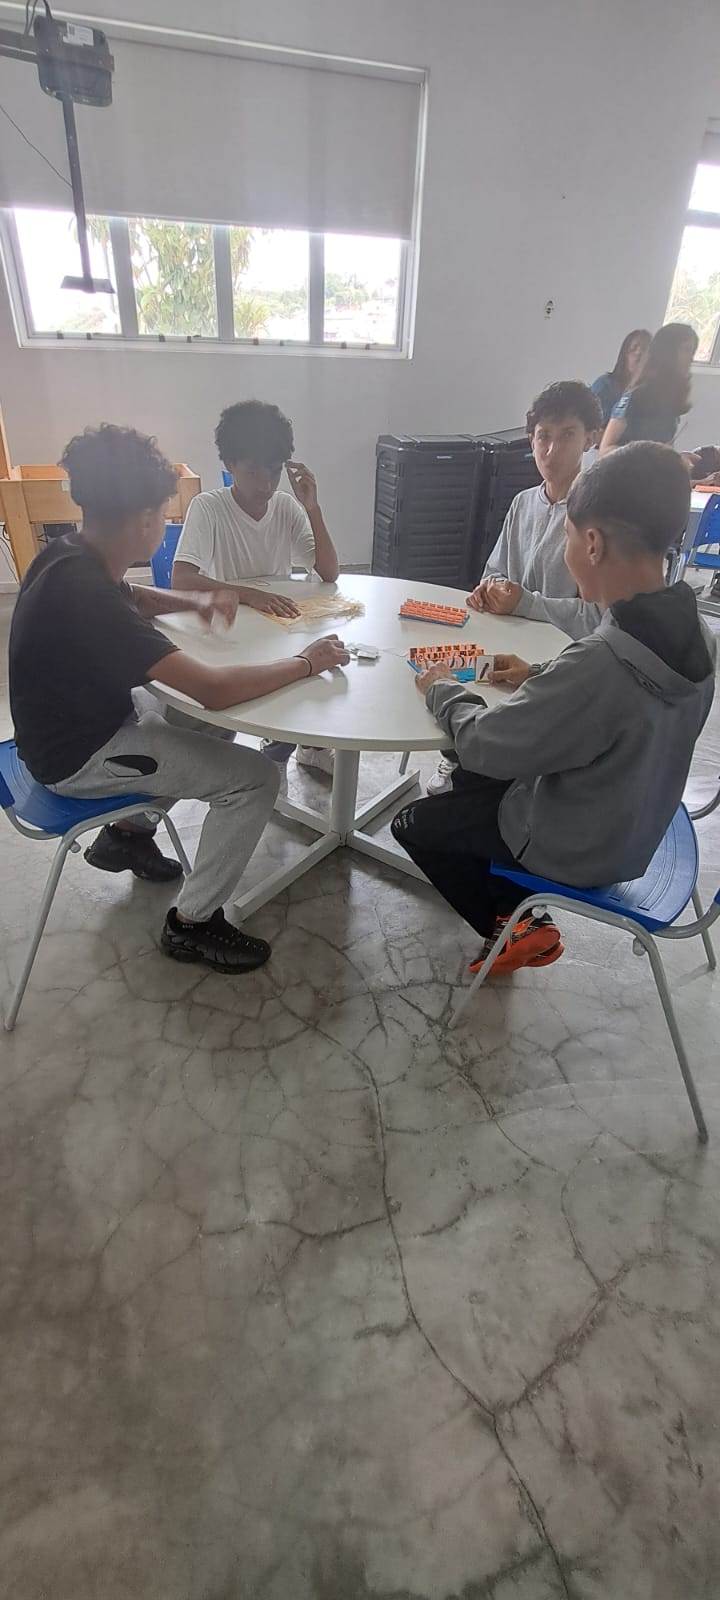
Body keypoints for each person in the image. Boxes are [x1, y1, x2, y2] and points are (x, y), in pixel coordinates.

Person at [9, 425, 349, 974]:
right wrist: (307, 662)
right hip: (79, 759)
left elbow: (136, 597)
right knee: (254, 779)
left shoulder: (70, 554)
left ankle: (126, 837)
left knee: (206, 724)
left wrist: (199, 603)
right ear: (144, 519)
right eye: (164, 516)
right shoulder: (87, 597)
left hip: (69, 730)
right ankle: (192, 924)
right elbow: (211, 688)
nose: (165, 525)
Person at [392, 442, 714, 977]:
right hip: (638, 815)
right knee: (469, 784)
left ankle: (513, 923)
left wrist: (442, 687)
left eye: (566, 536)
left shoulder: (599, 663)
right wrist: (540, 674)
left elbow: (483, 743)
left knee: (415, 821)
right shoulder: (698, 632)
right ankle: (508, 897)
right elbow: (612, 700)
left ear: (592, 544)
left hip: (578, 844)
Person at [427, 380, 602, 794]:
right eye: (543, 436)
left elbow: (596, 619)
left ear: (590, 439)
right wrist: (487, 590)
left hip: (559, 661)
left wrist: (525, 603)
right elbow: (495, 572)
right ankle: (459, 755)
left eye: (567, 436)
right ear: (530, 439)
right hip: (507, 641)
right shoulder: (524, 502)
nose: (551, 450)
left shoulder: (596, 515)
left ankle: (487, 771)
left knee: (490, 711)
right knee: (446, 670)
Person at [172, 399, 340, 777]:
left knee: (310, 667)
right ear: (229, 465)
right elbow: (181, 579)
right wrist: (251, 595)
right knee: (270, 683)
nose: (266, 485)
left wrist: (312, 508)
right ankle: (275, 753)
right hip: (234, 627)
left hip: (279, 623)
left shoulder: (286, 507)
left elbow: (329, 572)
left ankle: (304, 747)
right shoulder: (208, 507)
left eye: (275, 471)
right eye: (252, 472)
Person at [600, 323, 698, 454]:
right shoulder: (635, 396)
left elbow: (665, 447)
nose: (691, 359)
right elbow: (605, 449)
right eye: (686, 350)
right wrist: (651, 455)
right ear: (669, 352)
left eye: (692, 352)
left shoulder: (672, 398)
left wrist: (676, 458)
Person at [591, 329, 651, 427]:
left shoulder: (651, 392)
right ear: (624, 355)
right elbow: (591, 426)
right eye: (634, 348)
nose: (639, 353)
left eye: (644, 349)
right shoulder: (604, 384)